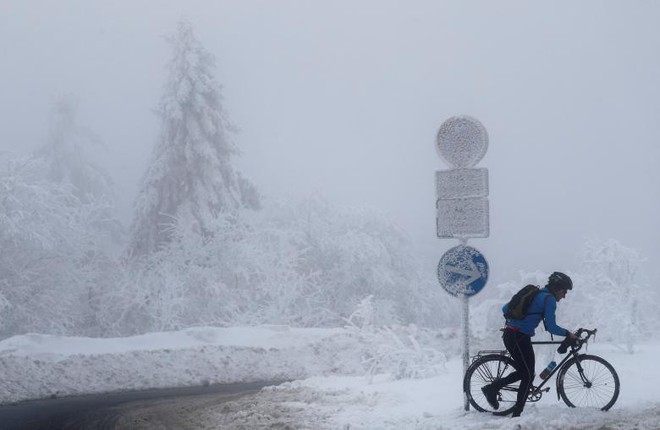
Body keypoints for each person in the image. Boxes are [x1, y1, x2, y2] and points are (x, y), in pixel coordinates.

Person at [481, 271, 577, 417]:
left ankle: (492, 389)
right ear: (558, 288)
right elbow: (551, 327)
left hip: (512, 334)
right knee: (527, 375)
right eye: (564, 291)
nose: (564, 296)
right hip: (518, 336)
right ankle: (515, 413)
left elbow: (505, 309)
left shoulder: (535, 294)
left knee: (525, 372)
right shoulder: (549, 299)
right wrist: (568, 334)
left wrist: (519, 319)